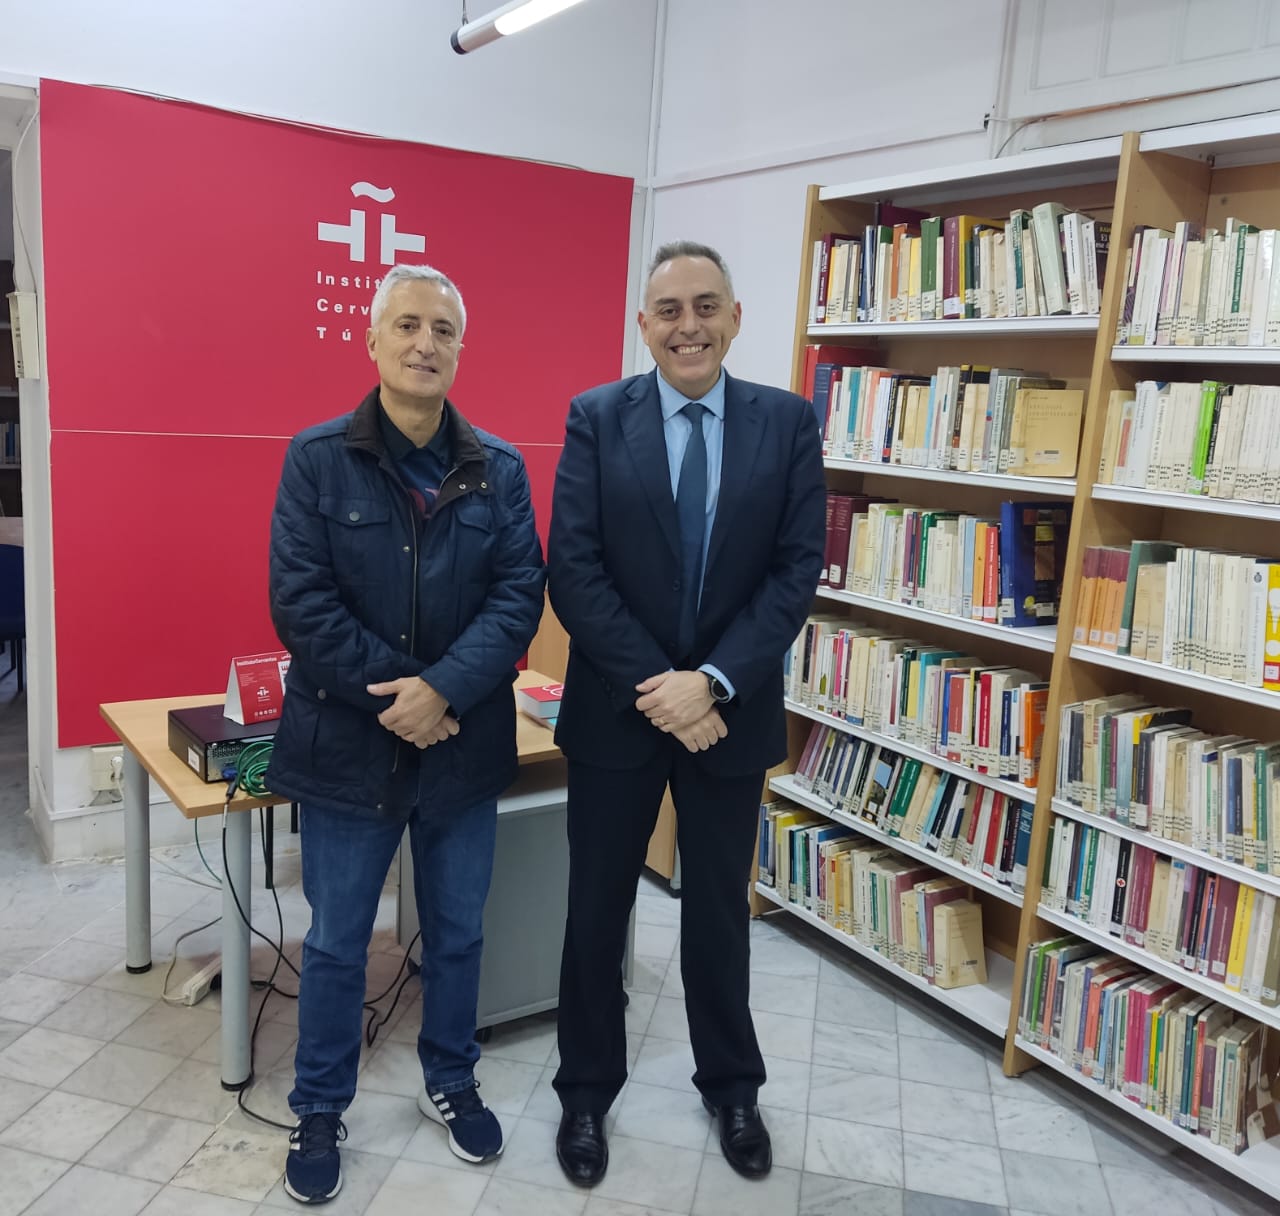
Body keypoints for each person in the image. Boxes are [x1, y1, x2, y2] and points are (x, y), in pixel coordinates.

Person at [265, 263, 546, 1205]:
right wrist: (404, 697)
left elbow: (518, 599)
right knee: (340, 940)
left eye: (445, 331)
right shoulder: (317, 458)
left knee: (459, 931)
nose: (427, 344)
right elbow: (301, 603)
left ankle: (450, 1077)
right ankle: (318, 1106)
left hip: (462, 743)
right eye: (409, 326)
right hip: (351, 743)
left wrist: (446, 692)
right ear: (374, 340)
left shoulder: (499, 468)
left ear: (461, 349)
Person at [547, 241, 826, 1184]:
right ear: (644, 326)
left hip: (728, 715)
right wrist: (663, 688)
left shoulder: (785, 424)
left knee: (717, 912)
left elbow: (796, 573)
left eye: (706, 306)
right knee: (595, 910)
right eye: (668, 310)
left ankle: (732, 1085)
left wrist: (712, 681)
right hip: (620, 713)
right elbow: (574, 573)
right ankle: (584, 1095)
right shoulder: (595, 418)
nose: (688, 325)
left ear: (736, 317)